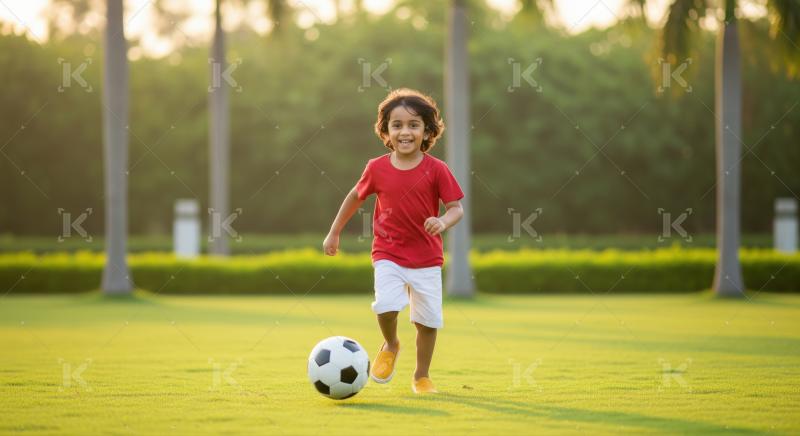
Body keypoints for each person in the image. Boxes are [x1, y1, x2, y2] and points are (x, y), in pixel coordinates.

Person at [323, 88, 465, 394]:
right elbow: (354, 196)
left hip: (427, 257)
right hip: (387, 252)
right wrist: (335, 231)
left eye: (413, 125)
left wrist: (442, 221)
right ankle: (390, 343)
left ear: (427, 130)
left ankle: (421, 376)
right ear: (386, 130)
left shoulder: (437, 169)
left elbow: (457, 208)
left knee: (427, 323)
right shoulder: (376, 168)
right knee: (386, 305)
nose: (405, 131)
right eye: (397, 124)